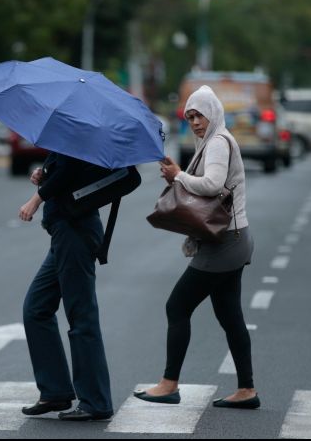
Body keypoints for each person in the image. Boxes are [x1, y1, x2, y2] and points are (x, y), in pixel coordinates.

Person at [135, 85, 259, 409]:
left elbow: (213, 185)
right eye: (189, 117)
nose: (194, 122)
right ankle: (247, 390)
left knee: (177, 307)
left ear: (212, 113)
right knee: (230, 316)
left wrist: (179, 176)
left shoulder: (217, 142)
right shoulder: (214, 141)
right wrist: (177, 177)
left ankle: (169, 384)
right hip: (231, 239)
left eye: (199, 115)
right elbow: (204, 188)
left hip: (224, 243)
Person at [18, 152, 113, 421]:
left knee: (81, 316)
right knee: (36, 309)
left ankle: (96, 401)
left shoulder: (76, 134)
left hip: (75, 231)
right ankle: (55, 391)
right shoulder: (67, 136)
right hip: (64, 233)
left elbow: (69, 170)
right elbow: (66, 171)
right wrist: (44, 174)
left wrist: (36, 199)